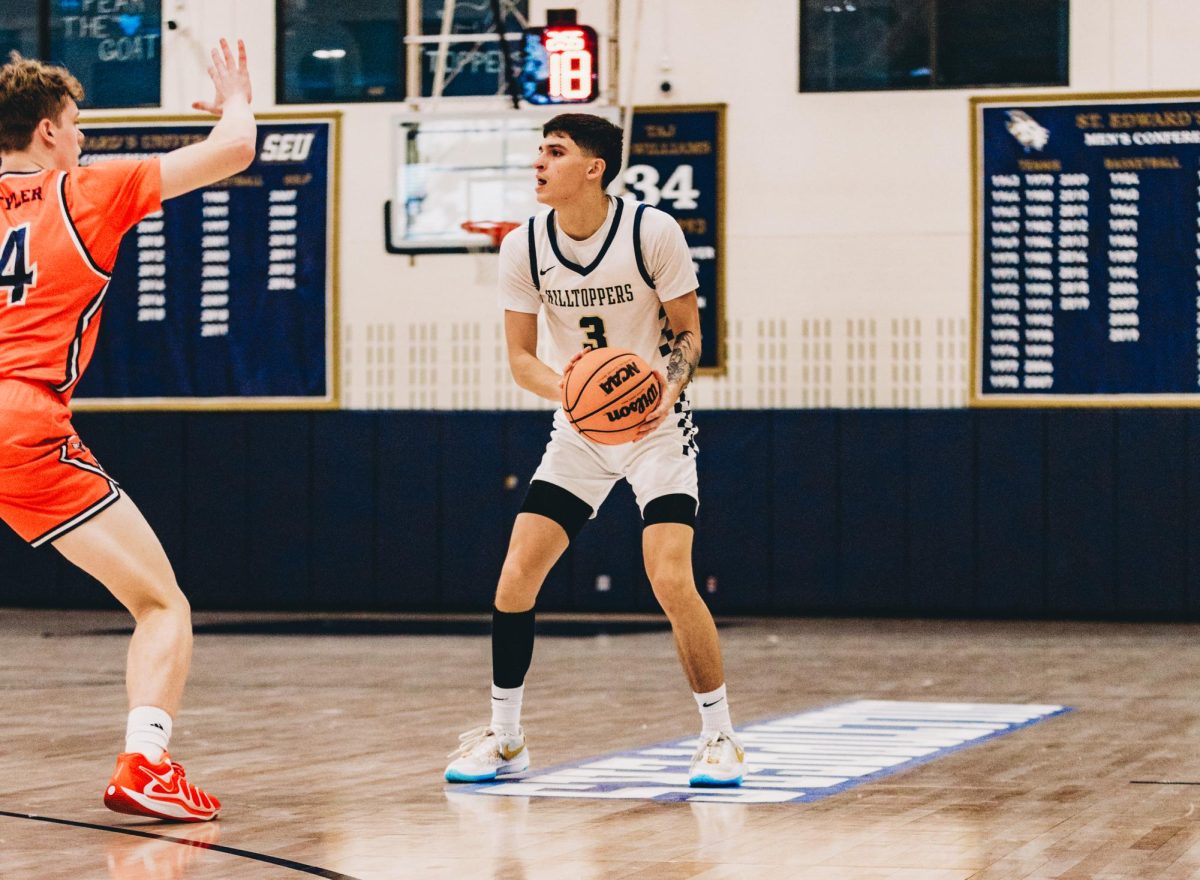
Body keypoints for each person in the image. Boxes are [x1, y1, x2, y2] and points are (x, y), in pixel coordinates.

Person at [445, 113, 745, 787]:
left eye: (554, 152)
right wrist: (574, 393)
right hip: (579, 432)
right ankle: (507, 738)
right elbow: (521, 360)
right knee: (516, 577)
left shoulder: (651, 230)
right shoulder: (523, 245)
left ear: (594, 168)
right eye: (538, 152)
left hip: (658, 431)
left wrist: (665, 388)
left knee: (669, 578)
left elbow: (690, 334)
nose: (538, 164)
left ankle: (719, 737)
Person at [0, 39, 256, 821]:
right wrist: (236, 99)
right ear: (47, 131)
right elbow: (235, 150)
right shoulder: (84, 188)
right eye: (76, 125)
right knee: (161, 603)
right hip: (22, 421)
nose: (82, 139)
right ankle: (146, 761)